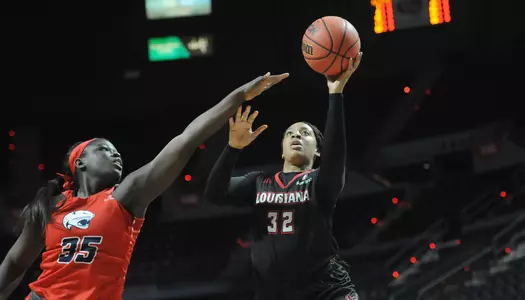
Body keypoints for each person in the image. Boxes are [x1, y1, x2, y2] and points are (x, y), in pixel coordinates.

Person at [0, 72, 289, 300]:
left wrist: (239, 96)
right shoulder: (51, 207)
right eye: (104, 149)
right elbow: (13, 264)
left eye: (116, 151)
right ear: (80, 162)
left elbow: (186, 140)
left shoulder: (125, 196)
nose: (116, 154)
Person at [204, 53, 362, 300]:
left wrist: (335, 93)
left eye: (304, 133)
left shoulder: (320, 182)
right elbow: (213, 193)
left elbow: (336, 154)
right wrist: (232, 148)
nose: (296, 136)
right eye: (290, 133)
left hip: (327, 291)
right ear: (282, 149)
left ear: (318, 150)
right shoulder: (259, 182)